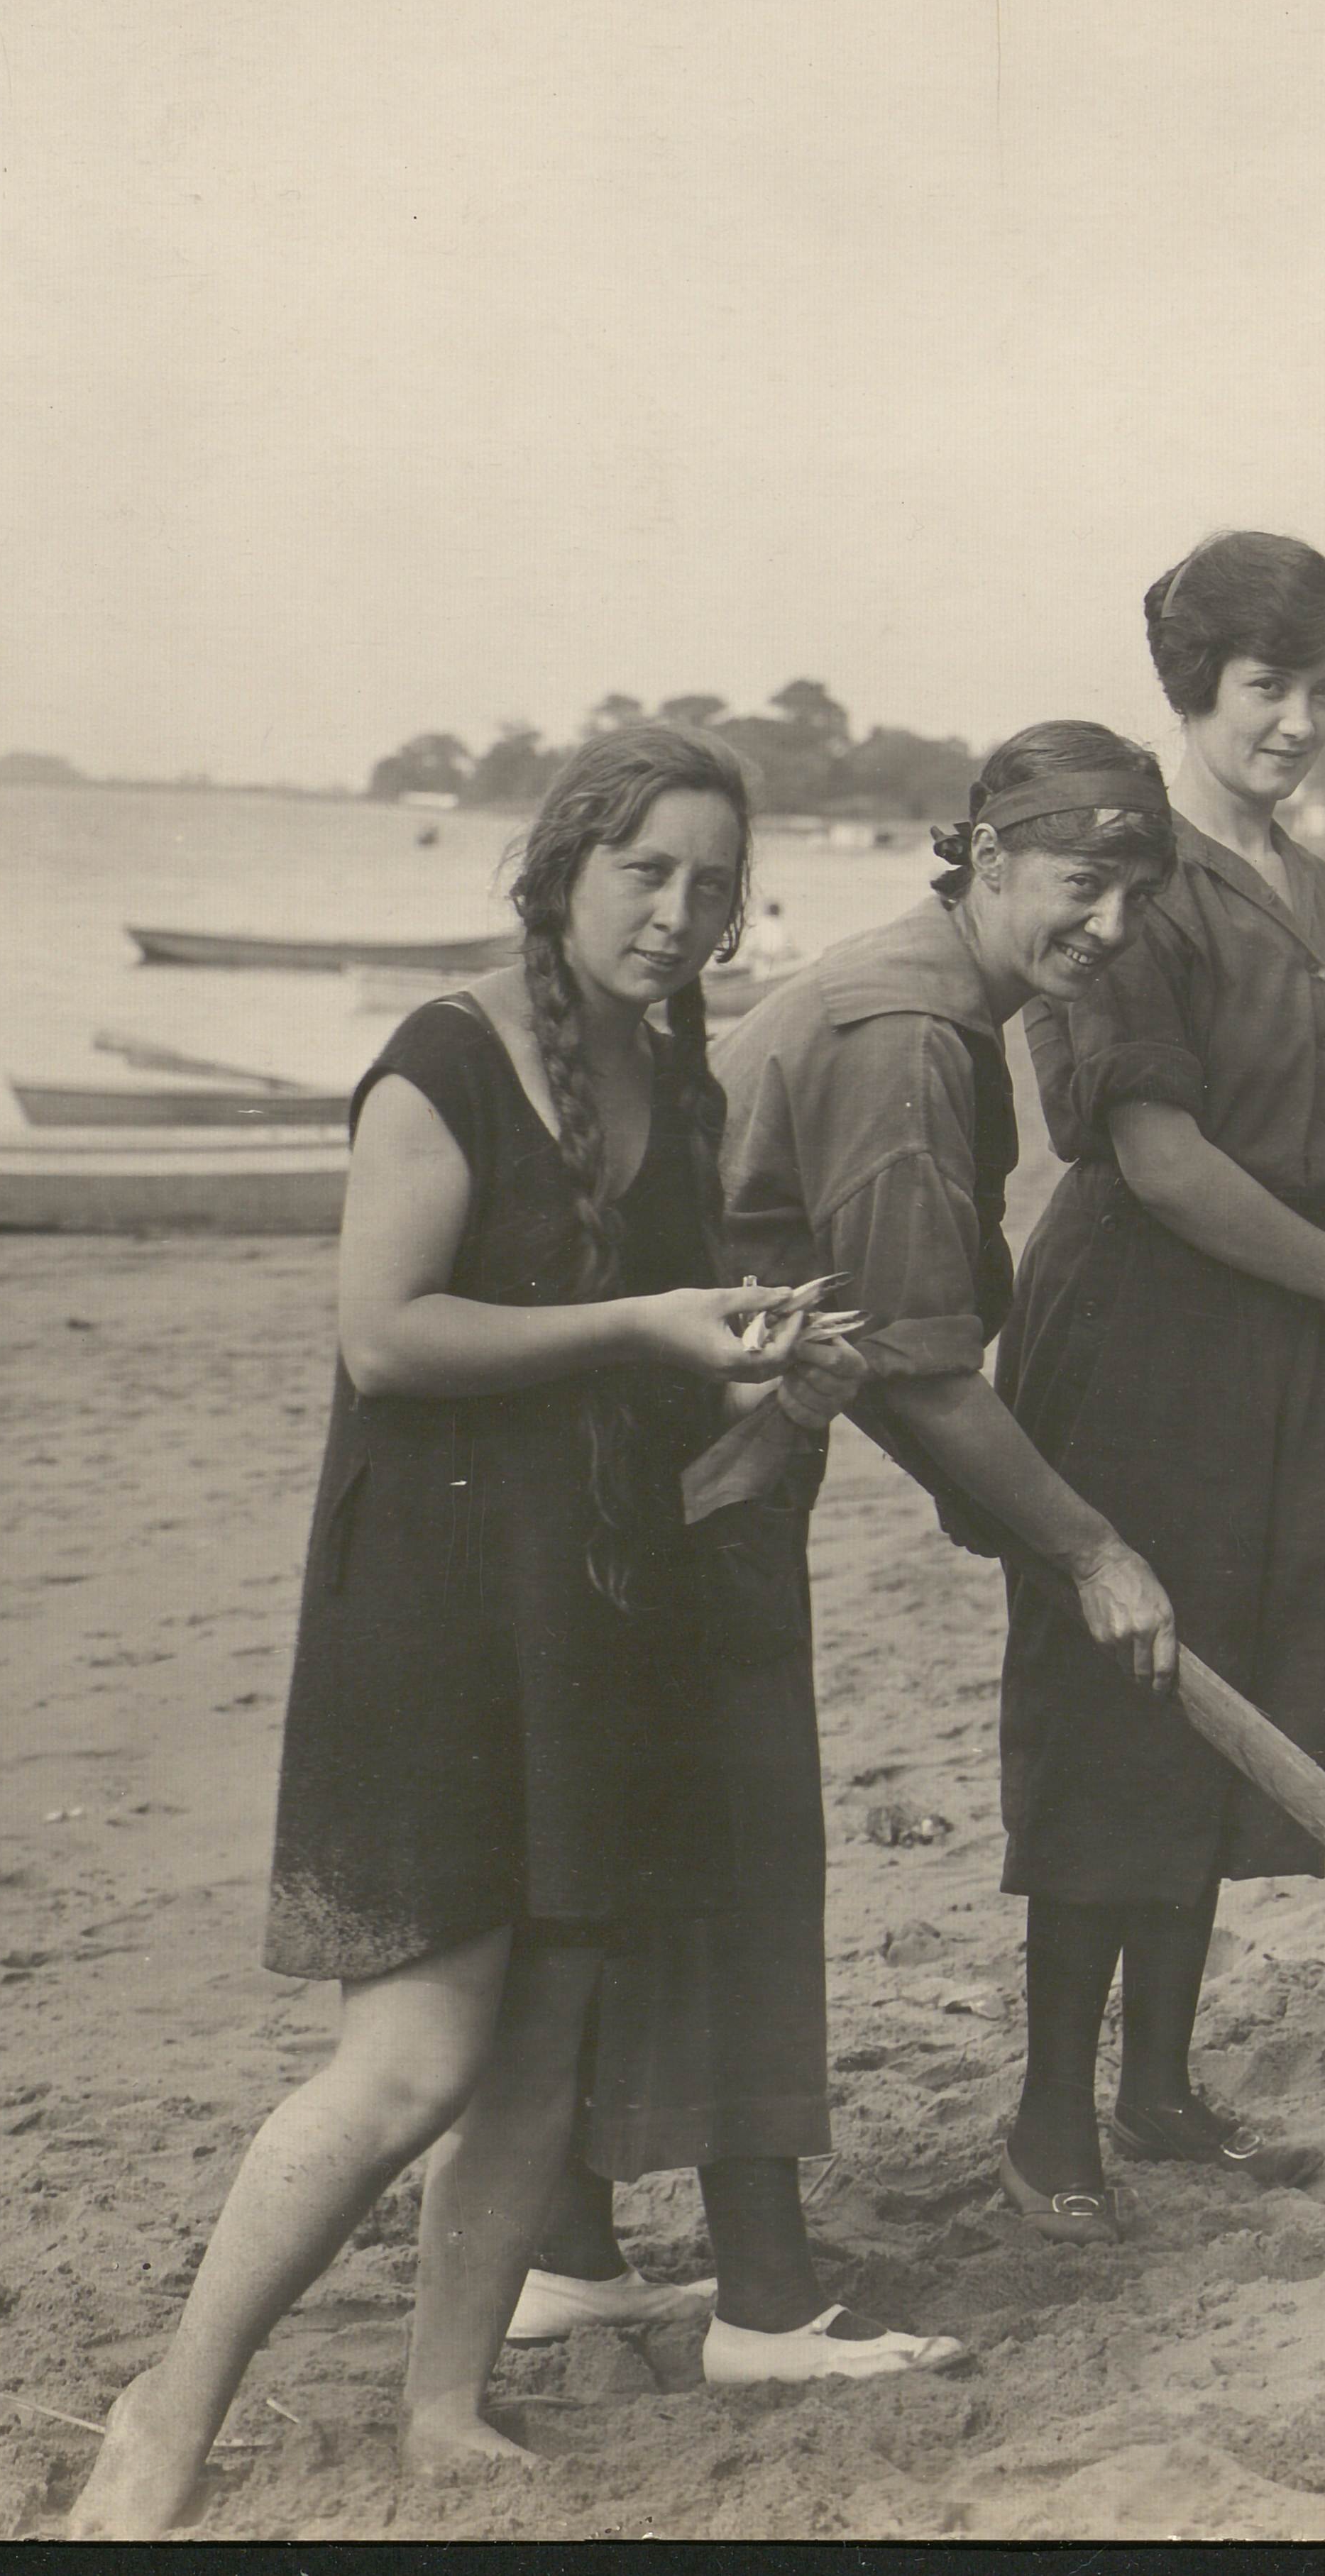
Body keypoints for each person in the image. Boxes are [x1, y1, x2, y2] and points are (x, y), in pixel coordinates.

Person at [71, 726, 817, 2533]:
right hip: (428, 1602)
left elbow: (638, 1341)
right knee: (411, 2057)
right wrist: (648, 1327)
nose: (680, 913)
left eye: (713, 885)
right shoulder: (443, 1058)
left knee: (546, 2035)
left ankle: (442, 2402)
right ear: (560, 863)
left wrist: (763, 1364)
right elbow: (386, 1337)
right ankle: (162, 2415)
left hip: (595, 1598)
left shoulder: (675, 1071)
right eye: (647, 870)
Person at [478, 729, 1191, 2386]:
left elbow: (872, 1331)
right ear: (983, 857)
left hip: (661, 1450)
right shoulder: (913, 1030)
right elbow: (920, 1369)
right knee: (739, 1856)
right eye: (1081, 884)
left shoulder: (913, 991)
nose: (1105, 925)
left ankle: (575, 2253)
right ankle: (766, 2299)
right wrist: (1086, 1547)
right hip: (689, 1463)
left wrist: (1007, 1519)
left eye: (1135, 897)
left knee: (649, 1856)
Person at [994, 531, 1325, 2237]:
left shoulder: (1314, 888)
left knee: (1234, 1678)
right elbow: (1160, 1155)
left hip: (1275, 1328)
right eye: (1269, 686)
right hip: (1148, 1320)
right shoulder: (1137, 873)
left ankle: (1161, 2083)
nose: (1300, 719)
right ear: (1195, 685)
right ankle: (1048, 2116)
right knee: (1119, 1689)